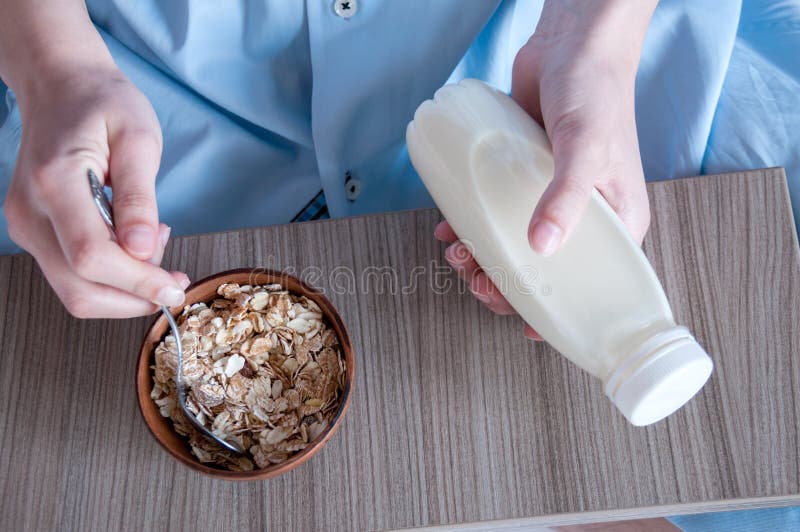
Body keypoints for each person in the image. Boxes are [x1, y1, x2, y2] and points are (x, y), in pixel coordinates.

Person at [0, 1, 798, 530]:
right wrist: (54, 68)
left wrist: (594, 42)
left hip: (532, 46)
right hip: (156, 88)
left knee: (755, 478)